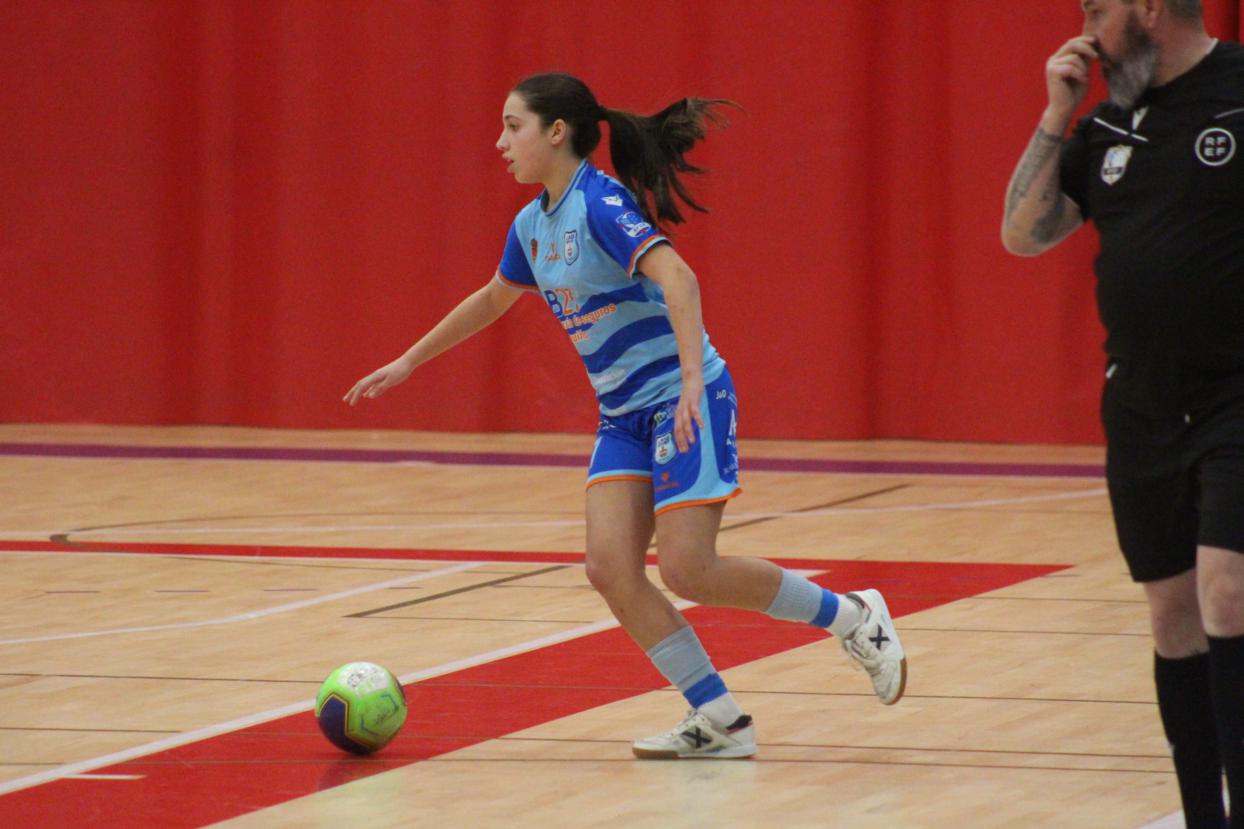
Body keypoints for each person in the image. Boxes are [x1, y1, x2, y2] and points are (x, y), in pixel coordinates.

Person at [344, 72, 907, 759]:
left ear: (557, 132)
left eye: (513, 126)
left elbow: (680, 277)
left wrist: (692, 383)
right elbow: (493, 298)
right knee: (609, 568)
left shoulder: (601, 204)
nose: (500, 142)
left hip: (681, 399)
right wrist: (408, 361)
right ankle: (720, 721)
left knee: (689, 569)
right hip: (622, 416)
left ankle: (854, 615)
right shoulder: (531, 225)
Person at [1001, 1, 1244, 824]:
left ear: (1147, 8)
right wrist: (1055, 114)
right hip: (1141, 402)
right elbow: (1023, 234)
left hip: (1235, 394)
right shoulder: (1107, 123)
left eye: (1096, 10)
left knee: (1229, 592)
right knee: (1174, 616)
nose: (1085, 32)